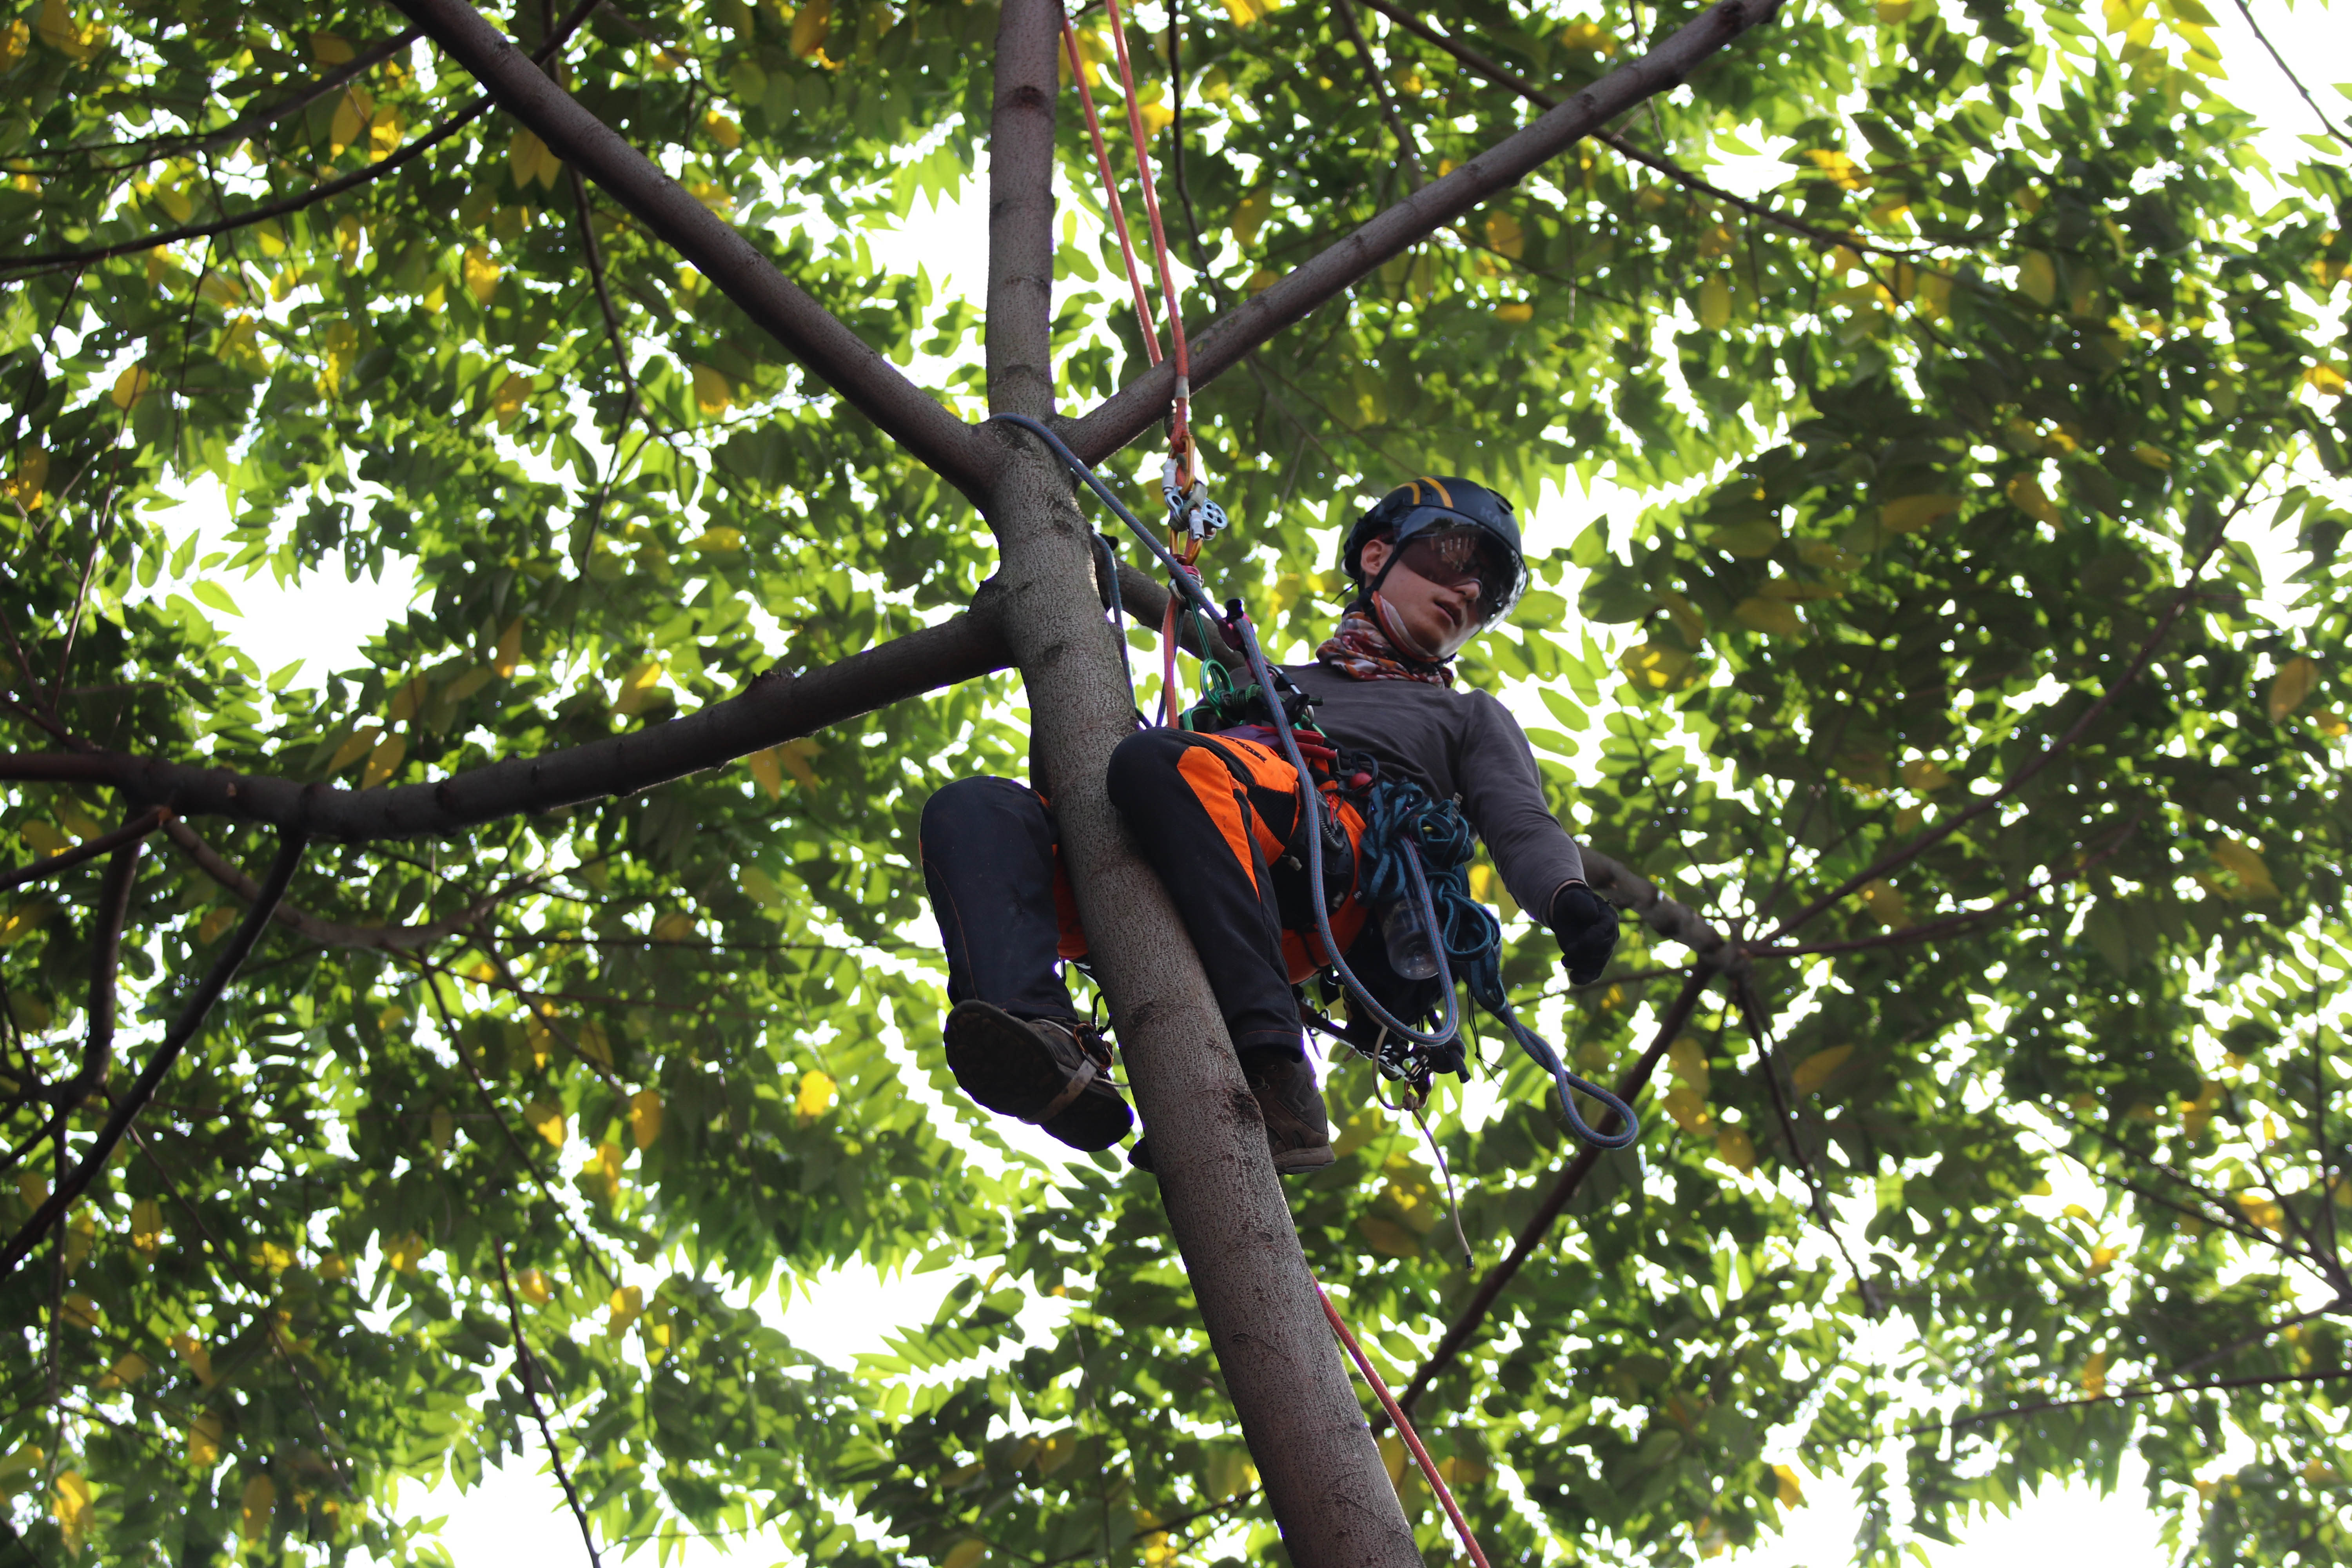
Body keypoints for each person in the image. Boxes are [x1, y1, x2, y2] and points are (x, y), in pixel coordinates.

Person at [917, 477, 1619, 1172]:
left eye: (1488, 593)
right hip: (1194, 854)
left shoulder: (1465, 717)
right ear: (1378, 556)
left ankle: (1277, 1071)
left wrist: (1566, 897)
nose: (1468, 591)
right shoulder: (1269, 685)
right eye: (1455, 559)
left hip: (1322, 873)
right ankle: (1047, 1044)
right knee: (976, 809)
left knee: (1166, 764)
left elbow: (1521, 821)